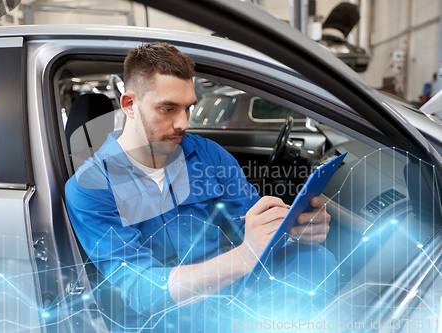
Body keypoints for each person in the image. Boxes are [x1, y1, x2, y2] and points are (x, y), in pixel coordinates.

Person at [65, 42, 337, 332]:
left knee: (316, 260)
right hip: (162, 317)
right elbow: (143, 290)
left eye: (188, 108)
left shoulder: (208, 154)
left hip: (224, 292)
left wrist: (293, 229)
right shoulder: (90, 187)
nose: (183, 123)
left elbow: (250, 221)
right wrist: (245, 256)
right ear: (130, 105)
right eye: (168, 109)